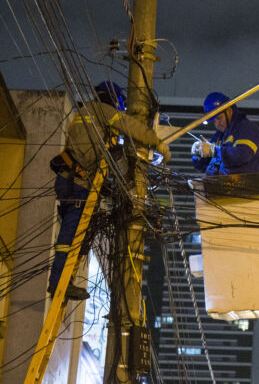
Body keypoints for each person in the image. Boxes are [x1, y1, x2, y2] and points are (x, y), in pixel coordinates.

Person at [49, 81, 170, 300]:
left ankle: (62, 282)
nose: (120, 107)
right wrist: (156, 142)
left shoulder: (87, 113)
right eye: (120, 102)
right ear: (113, 99)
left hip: (70, 180)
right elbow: (129, 126)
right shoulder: (102, 111)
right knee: (71, 237)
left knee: (76, 236)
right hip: (78, 183)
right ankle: (59, 284)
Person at [191, 92, 259, 176]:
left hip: (243, 186)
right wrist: (198, 155)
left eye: (219, 118)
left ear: (229, 111)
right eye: (214, 121)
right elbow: (204, 166)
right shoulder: (219, 136)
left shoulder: (246, 128)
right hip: (220, 186)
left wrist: (213, 150)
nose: (217, 123)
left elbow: (242, 155)